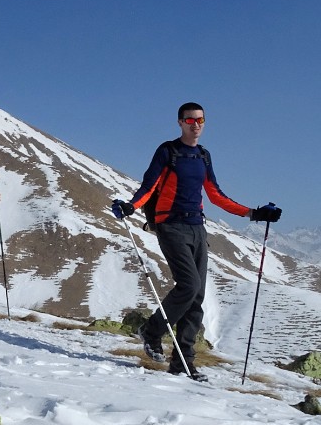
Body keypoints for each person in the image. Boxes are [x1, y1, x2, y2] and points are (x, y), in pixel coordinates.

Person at [111, 102, 281, 381]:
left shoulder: (203, 156)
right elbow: (149, 186)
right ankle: (151, 331)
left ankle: (183, 364)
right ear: (180, 122)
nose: (196, 124)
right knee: (188, 285)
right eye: (190, 120)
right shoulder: (168, 151)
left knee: (196, 296)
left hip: (197, 228)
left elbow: (215, 195)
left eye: (200, 120)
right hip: (170, 226)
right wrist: (131, 206)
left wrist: (254, 213)